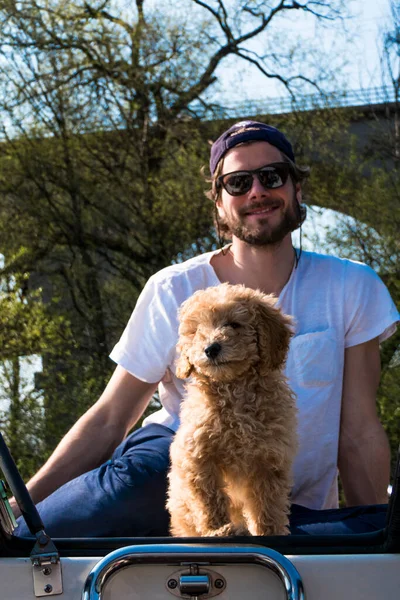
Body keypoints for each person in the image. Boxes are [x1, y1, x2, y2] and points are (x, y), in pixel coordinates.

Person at [14, 121, 399, 538]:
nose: (256, 192)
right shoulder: (172, 287)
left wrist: (376, 536)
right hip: (167, 474)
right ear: (218, 203)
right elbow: (111, 418)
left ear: (296, 189)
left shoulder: (351, 286)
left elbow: (358, 429)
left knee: (339, 533)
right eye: (237, 183)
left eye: (272, 177)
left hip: (284, 505)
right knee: (128, 484)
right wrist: (22, 504)